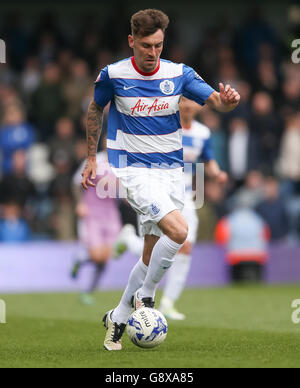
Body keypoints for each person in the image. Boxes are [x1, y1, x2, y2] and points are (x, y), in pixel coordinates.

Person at [81, 9, 240, 351]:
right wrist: (92, 158)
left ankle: (119, 315)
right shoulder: (113, 74)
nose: (153, 53)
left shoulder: (179, 73)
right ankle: (148, 297)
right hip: (132, 170)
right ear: (131, 41)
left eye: (158, 45)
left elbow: (214, 101)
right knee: (180, 232)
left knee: (152, 252)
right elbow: (95, 109)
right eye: (146, 46)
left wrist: (227, 103)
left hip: (171, 173)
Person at [113, 97, 228, 320]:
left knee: (185, 247)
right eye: (183, 100)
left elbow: (208, 159)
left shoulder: (203, 133)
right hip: (156, 191)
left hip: (184, 196)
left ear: (198, 105)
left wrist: (217, 173)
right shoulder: (163, 126)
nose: (187, 104)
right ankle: (128, 241)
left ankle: (168, 302)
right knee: (151, 248)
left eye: (191, 101)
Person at [72, 147, 122, 305]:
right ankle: (81, 258)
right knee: (96, 256)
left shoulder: (122, 163)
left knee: (106, 258)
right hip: (92, 212)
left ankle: (88, 291)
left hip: (111, 213)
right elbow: (75, 183)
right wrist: (80, 203)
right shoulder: (94, 160)